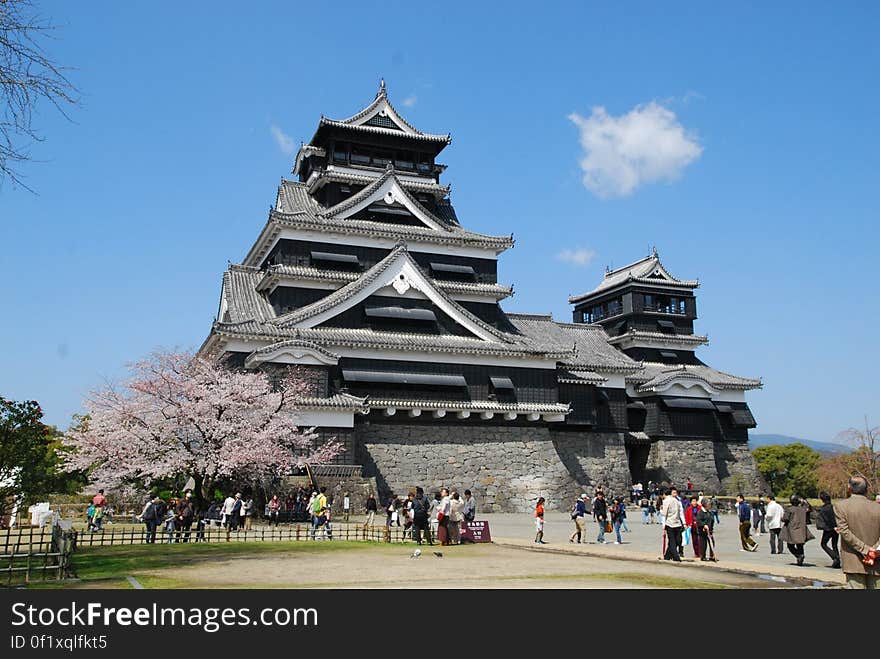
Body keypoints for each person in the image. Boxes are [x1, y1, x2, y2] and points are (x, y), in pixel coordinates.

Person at [833, 476, 880, 589]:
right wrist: (874, 550)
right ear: (866, 489)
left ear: (849, 488)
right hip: (876, 560)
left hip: (853, 560)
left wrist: (865, 550)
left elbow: (845, 532)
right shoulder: (877, 507)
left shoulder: (841, 506)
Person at [780, 495, 814, 566]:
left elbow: (785, 518)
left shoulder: (789, 509)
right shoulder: (802, 509)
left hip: (792, 529)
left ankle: (799, 556)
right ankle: (800, 557)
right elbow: (810, 509)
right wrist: (804, 501)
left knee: (790, 545)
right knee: (800, 545)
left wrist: (782, 518)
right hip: (801, 528)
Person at [816, 491, 840, 569]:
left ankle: (835, 557)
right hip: (836, 527)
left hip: (829, 528)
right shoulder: (833, 507)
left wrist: (833, 526)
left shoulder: (825, 509)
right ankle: (837, 562)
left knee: (823, 544)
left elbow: (829, 519)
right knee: (834, 544)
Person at [660, 487, 685, 561]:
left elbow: (665, 514)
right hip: (674, 523)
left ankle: (671, 556)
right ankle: (671, 556)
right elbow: (666, 514)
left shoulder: (671, 501)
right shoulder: (672, 500)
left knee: (674, 541)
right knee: (675, 541)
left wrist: (684, 522)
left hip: (674, 523)